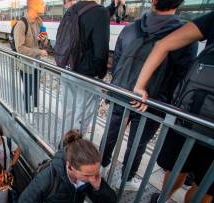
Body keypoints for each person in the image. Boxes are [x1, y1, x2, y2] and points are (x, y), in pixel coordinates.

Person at [100, 0, 197, 192]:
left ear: (153, 1)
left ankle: (101, 167)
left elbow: (117, 60)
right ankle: (126, 179)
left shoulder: (130, 28)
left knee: (111, 133)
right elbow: (181, 76)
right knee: (138, 143)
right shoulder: (185, 36)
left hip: (122, 93)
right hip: (152, 103)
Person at [132, 12, 214, 203]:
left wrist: (140, 86)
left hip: (190, 115)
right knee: (208, 184)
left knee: (178, 165)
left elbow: (163, 45)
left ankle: (163, 201)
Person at [18, 130, 117, 203]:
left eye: (96, 172)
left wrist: (99, 187)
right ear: (70, 167)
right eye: (86, 175)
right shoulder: (49, 177)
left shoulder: (90, 175)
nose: (92, 179)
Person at [55, 0, 122, 139]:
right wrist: (100, 74)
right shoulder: (99, 12)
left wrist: (112, 8)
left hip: (67, 69)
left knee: (68, 112)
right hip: (86, 76)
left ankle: (64, 144)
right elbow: (101, 52)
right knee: (81, 116)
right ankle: (73, 151)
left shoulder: (73, 9)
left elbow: (90, 22)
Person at [13, 0, 50, 115]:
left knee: (35, 87)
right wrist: (39, 51)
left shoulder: (39, 22)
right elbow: (20, 48)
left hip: (36, 63)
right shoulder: (21, 24)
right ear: (33, 6)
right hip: (26, 64)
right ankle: (27, 112)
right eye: (41, 3)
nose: (44, 6)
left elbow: (42, 41)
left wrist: (44, 40)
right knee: (28, 89)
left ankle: (35, 107)